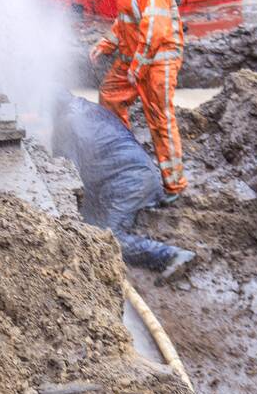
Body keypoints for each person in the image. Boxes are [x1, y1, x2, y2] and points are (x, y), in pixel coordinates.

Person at [51, 91, 196, 283]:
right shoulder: (88, 107)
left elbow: (68, 177)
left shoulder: (67, 123)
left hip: (129, 184)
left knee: (105, 237)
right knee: (91, 222)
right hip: (142, 175)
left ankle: (170, 255)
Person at [89, 0, 187, 200]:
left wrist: (138, 65)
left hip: (158, 60)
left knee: (160, 119)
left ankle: (173, 185)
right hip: (135, 57)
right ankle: (125, 160)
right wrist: (106, 43)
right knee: (110, 95)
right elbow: (124, 21)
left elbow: (156, 31)